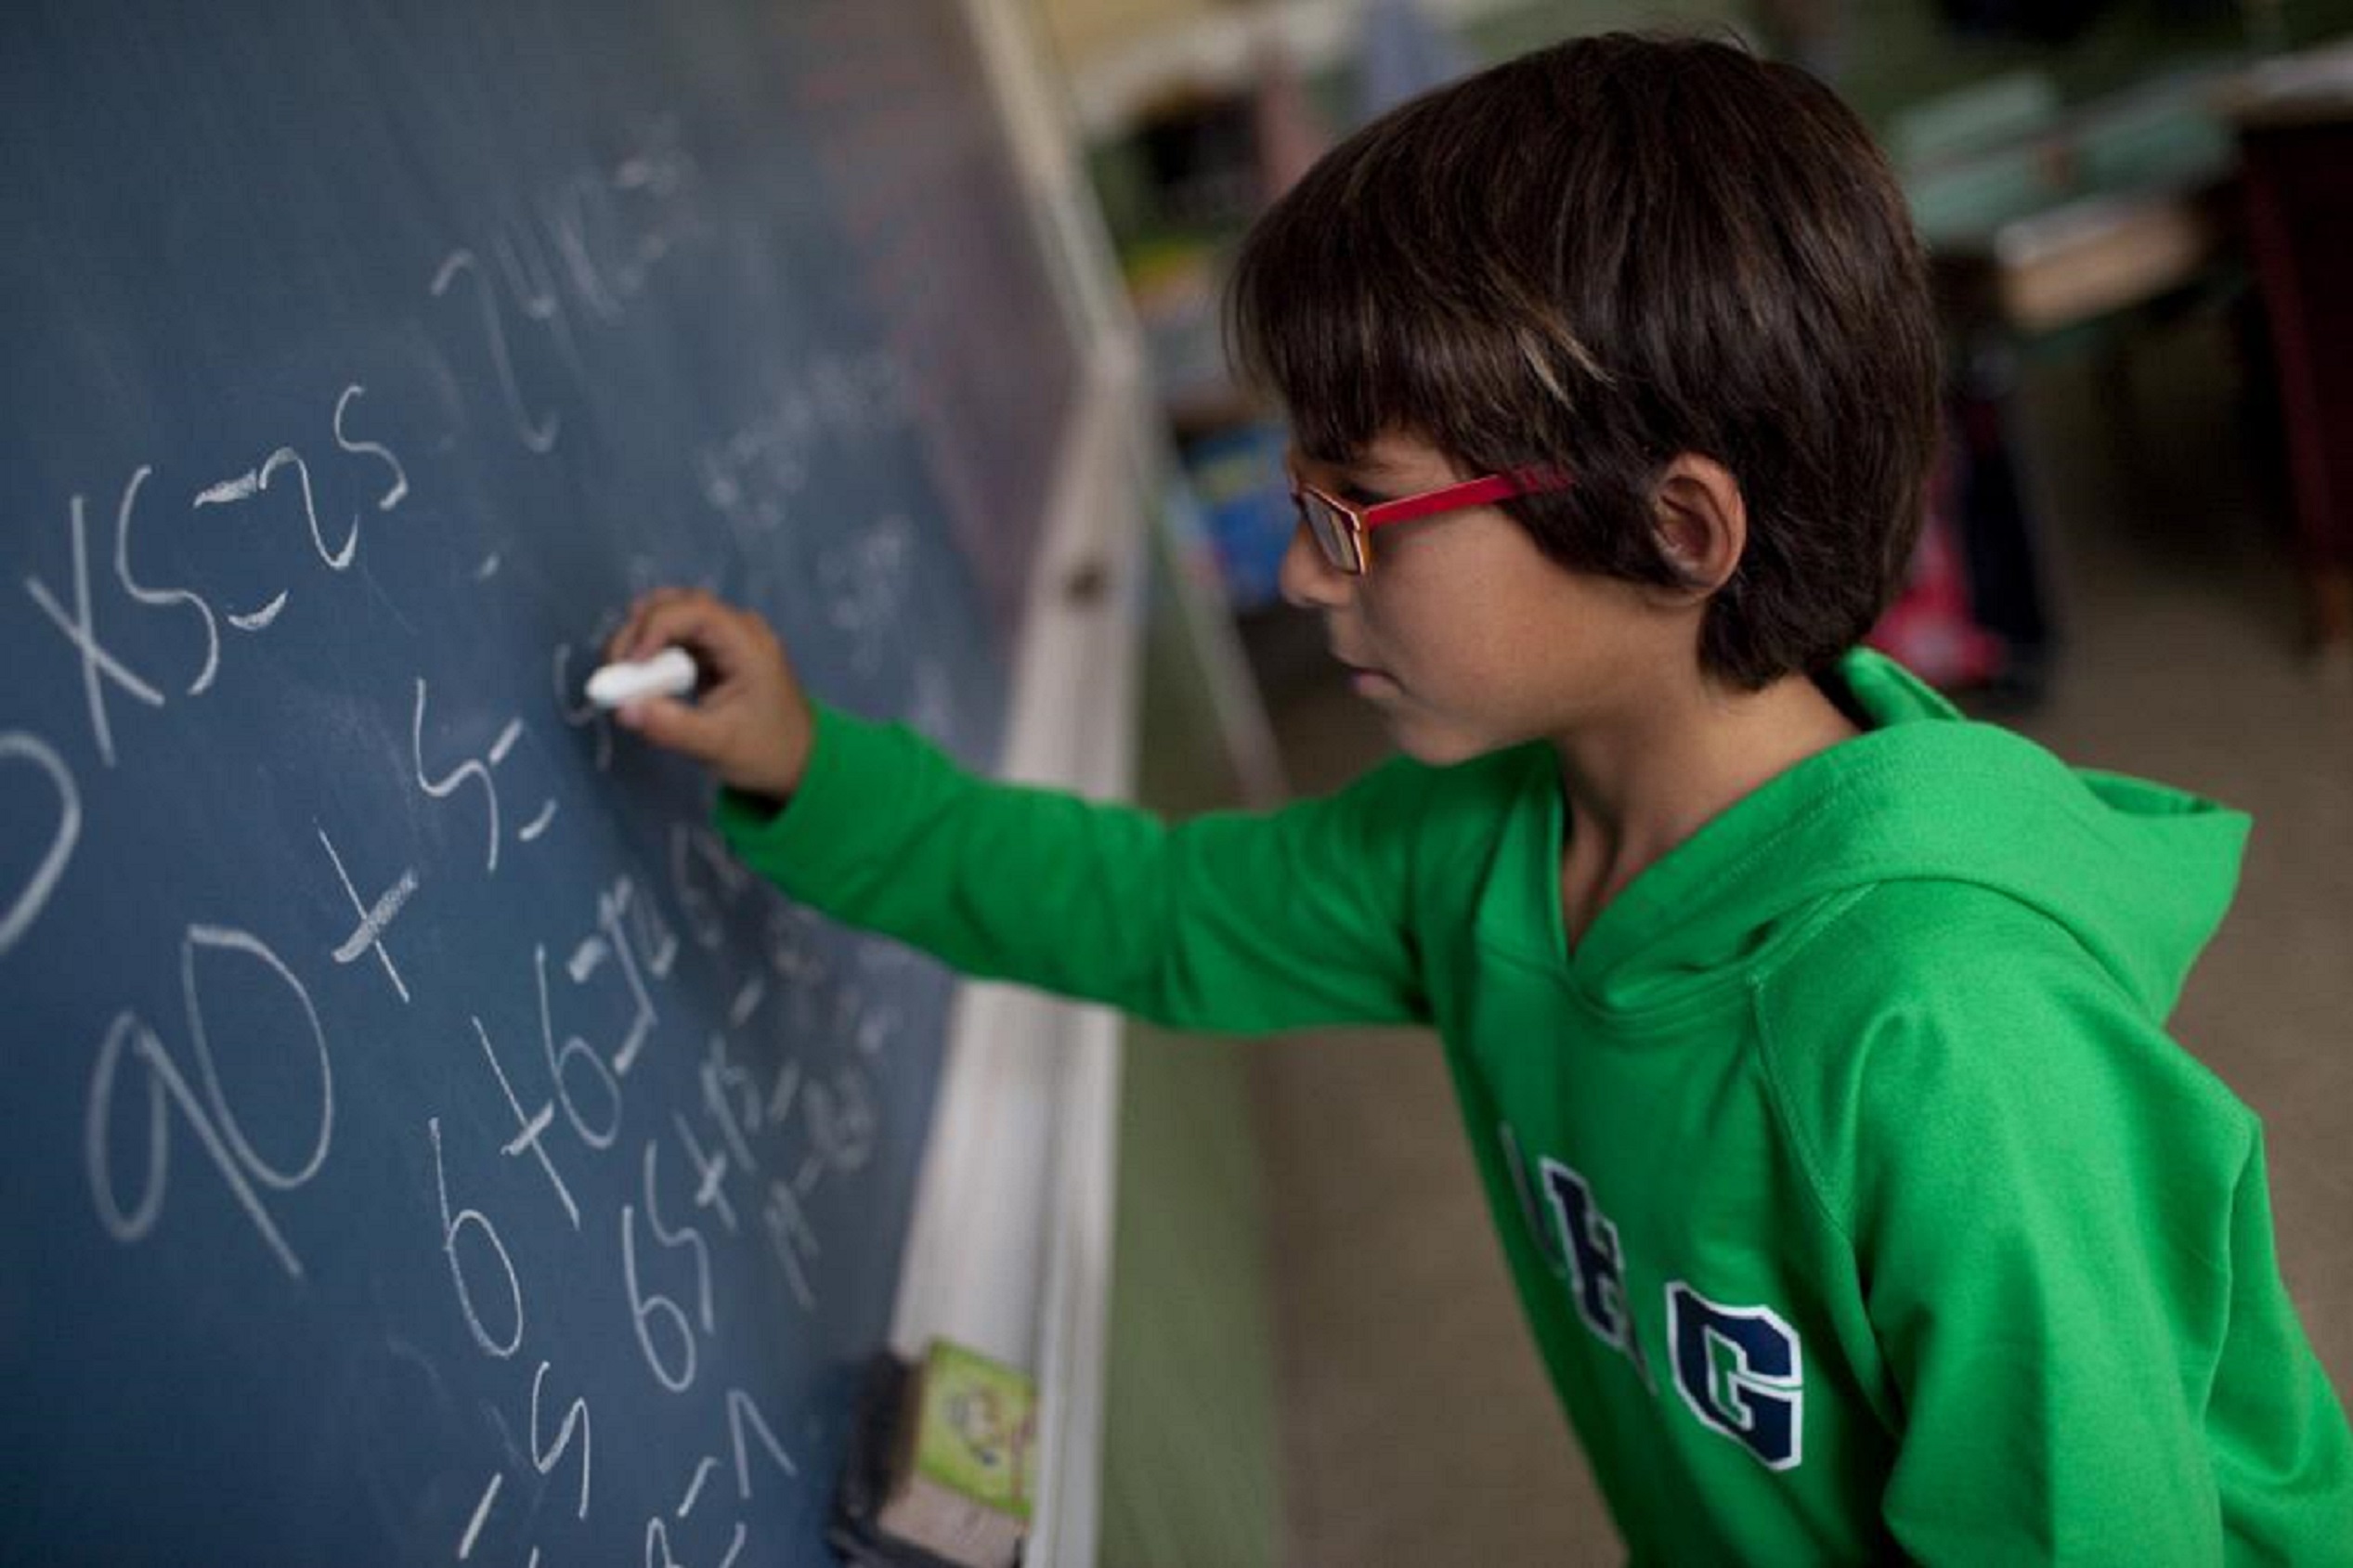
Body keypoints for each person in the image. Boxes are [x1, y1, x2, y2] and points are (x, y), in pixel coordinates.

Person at [607, 32, 2353, 1562]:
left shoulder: (1948, 1036)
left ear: (1676, 532)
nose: (1301, 577)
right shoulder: (1479, 837)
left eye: (1354, 509)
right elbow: (1149, 910)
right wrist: (811, 767)